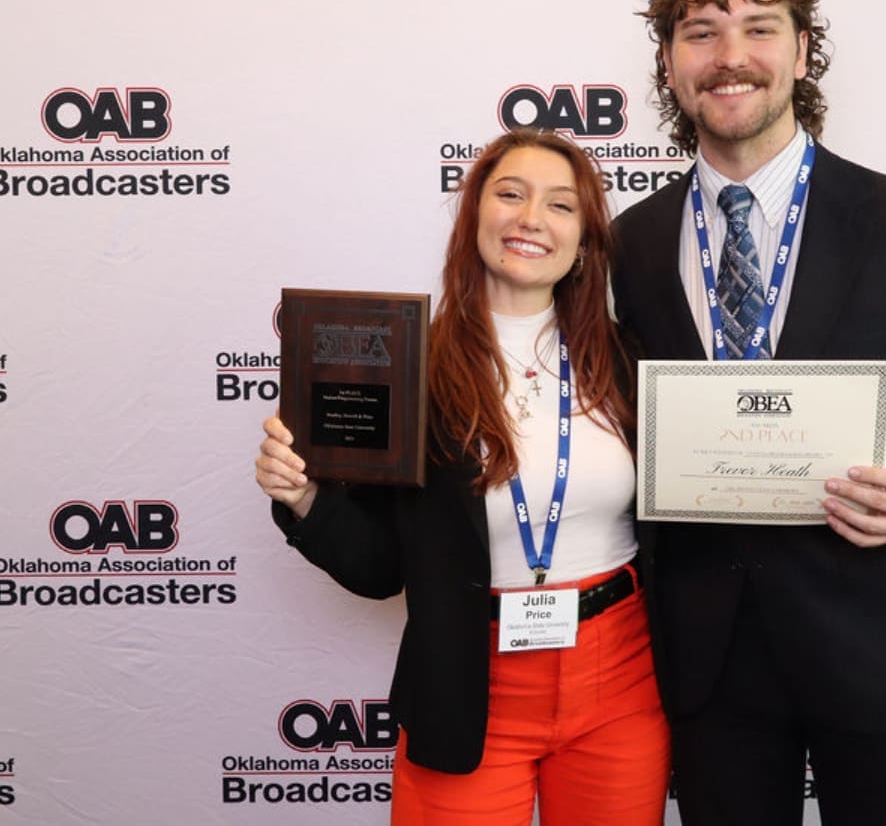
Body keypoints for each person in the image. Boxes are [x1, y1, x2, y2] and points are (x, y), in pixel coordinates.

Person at [611, 0, 886, 826]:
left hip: (873, 636)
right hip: (707, 656)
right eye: (701, 31)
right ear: (670, 61)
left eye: (759, 27)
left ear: (801, 50)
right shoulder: (630, 241)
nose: (731, 56)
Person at [254, 129, 670, 826]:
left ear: (584, 241)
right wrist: (304, 497)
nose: (531, 218)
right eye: (510, 194)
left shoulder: (626, 362)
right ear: (475, 215)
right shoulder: (407, 365)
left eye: (560, 205)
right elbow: (381, 569)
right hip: (466, 682)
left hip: (621, 678)